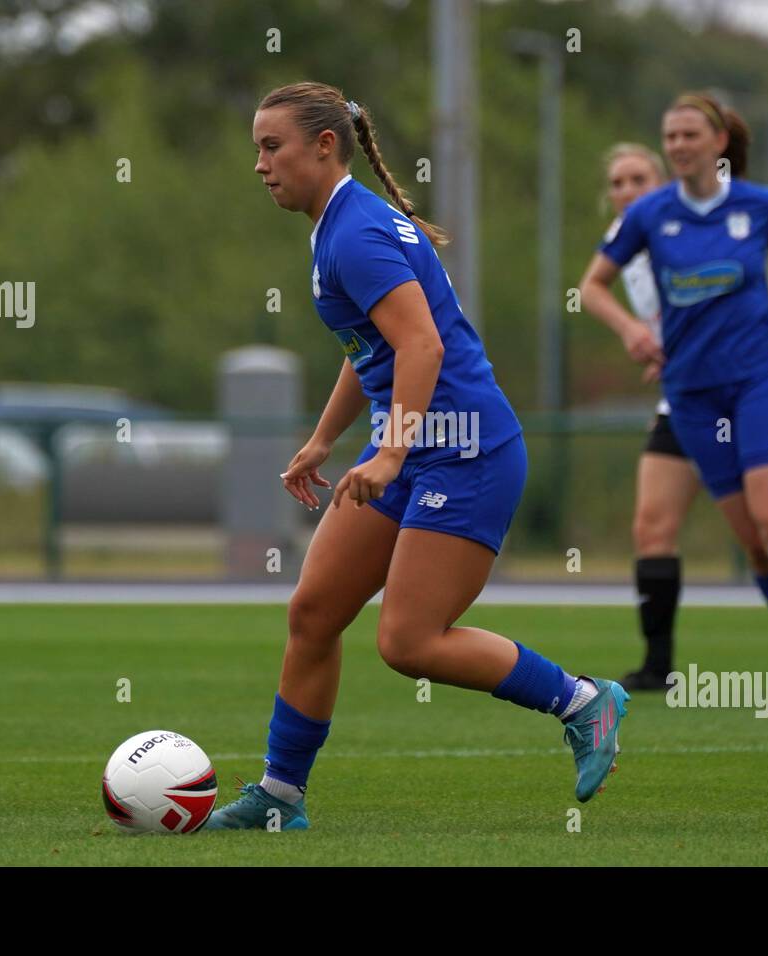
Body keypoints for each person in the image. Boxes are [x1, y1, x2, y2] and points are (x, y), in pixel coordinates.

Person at [208, 81, 629, 830]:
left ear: (324, 146)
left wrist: (392, 454)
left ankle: (584, 701)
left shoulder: (356, 233)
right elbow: (374, 348)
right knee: (313, 613)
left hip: (466, 451)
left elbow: (422, 344)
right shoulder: (338, 226)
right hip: (411, 446)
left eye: (272, 146)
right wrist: (324, 439)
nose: (260, 164)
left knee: (407, 641)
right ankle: (279, 798)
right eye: (257, 150)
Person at [581, 92, 768, 709]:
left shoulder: (760, 206)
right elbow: (591, 286)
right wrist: (632, 331)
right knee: (754, 542)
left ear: (719, 142)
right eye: (670, 136)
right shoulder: (651, 215)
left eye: (689, 135)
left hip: (761, 379)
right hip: (691, 395)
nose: (678, 146)